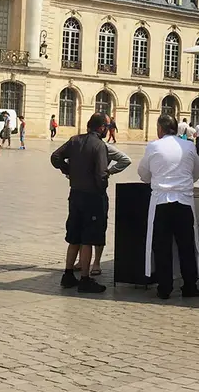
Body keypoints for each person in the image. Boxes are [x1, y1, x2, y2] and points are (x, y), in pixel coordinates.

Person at [52, 112, 128, 294]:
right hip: (93, 196)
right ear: (101, 128)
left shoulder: (74, 140)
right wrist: (102, 186)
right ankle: (85, 278)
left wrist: (68, 170)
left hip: (75, 194)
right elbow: (101, 174)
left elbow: (55, 157)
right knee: (88, 238)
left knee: (74, 236)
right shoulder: (99, 145)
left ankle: (68, 274)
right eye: (106, 127)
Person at [137, 113, 199, 300]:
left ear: (160, 129)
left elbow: (143, 173)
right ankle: (189, 285)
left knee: (161, 245)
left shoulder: (153, 146)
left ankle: (164, 287)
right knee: (186, 245)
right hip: (184, 201)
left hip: (161, 202)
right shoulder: (189, 146)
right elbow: (196, 173)